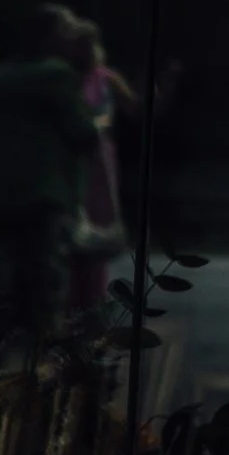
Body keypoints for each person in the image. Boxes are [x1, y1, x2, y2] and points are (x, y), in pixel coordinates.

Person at [0, 4, 101, 338]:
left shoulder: (3, 73)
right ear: (50, 38)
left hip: (0, 186)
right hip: (43, 188)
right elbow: (81, 132)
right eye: (66, 31)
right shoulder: (56, 75)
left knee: (6, 268)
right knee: (45, 271)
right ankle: (43, 341)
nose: (73, 37)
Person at [66, 21, 137, 310]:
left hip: (100, 157)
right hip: (75, 155)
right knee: (75, 222)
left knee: (98, 221)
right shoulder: (65, 78)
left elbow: (134, 107)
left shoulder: (105, 77)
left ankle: (93, 297)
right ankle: (74, 297)